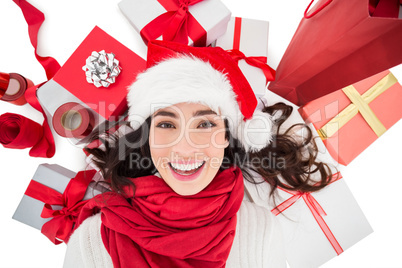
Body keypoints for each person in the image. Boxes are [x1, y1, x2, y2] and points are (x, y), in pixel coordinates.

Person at [63, 40, 333, 268]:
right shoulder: (90, 242)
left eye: (205, 124)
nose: (184, 147)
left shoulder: (261, 231)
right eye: (167, 124)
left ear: (227, 137)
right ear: (147, 139)